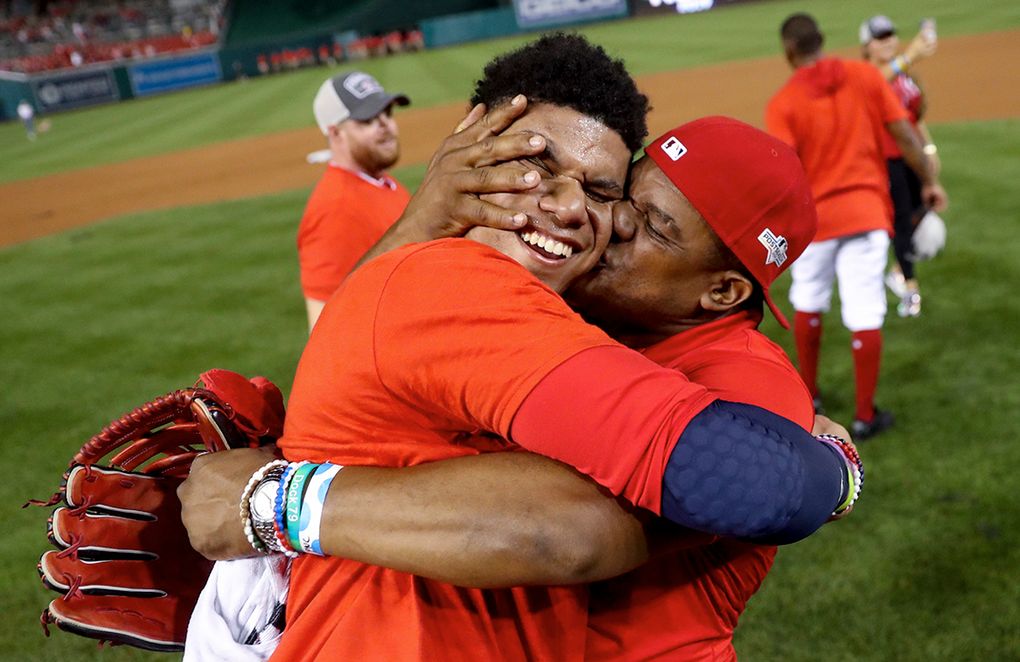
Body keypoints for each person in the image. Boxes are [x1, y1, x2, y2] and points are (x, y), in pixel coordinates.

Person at [182, 114, 855, 660]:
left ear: (721, 290)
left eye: (654, 227)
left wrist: (275, 506)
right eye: (624, 196)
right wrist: (420, 225)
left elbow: (573, 528)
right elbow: (364, 352)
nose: (614, 223)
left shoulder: (749, 384)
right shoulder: (589, 312)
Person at [765, 12, 948, 439]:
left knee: (808, 301)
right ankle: (866, 415)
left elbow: (783, 172)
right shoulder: (864, 76)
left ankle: (808, 398)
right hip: (866, 213)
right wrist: (929, 181)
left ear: (789, 52)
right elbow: (904, 135)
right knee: (864, 309)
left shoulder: (783, 102)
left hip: (815, 222)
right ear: (822, 40)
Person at [297, 71, 411, 330]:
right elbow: (325, 330)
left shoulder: (384, 183)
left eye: (388, 114)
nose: (385, 125)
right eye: (368, 119)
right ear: (335, 133)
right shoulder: (334, 209)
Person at [860, 14, 942, 318]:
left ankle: (897, 270)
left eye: (891, 35)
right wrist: (910, 56)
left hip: (912, 155)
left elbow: (914, 116)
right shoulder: (867, 74)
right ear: (866, 45)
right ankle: (909, 288)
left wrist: (929, 148)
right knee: (901, 220)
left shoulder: (905, 76)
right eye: (880, 37)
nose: (888, 41)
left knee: (922, 210)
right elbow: (872, 85)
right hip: (886, 160)